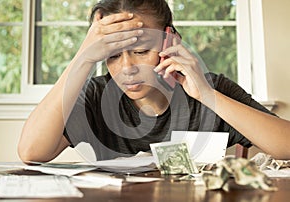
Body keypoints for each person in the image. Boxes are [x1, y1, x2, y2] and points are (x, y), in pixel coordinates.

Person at [18, 0, 290, 163]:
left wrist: (207, 96)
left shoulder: (211, 88)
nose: (126, 69)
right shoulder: (95, 96)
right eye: (111, 55)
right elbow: (31, 152)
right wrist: (83, 59)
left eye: (140, 52)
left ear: (170, 39)